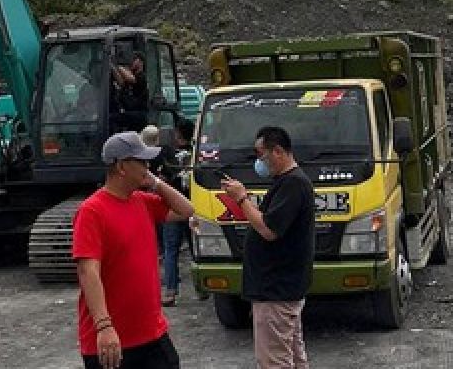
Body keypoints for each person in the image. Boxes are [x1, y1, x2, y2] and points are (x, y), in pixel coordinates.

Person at [73, 131, 194, 369]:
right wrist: (104, 326)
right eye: (141, 162)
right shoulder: (92, 211)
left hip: (152, 333)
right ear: (121, 167)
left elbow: (186, 210)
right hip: (114, 341)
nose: (147, 167)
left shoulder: (142, 201)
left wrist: (156, 184)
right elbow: (88, 271)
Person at [221, 126, 315, 369]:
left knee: (274, 360)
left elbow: (269, 229)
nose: (258, 163)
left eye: (261, 156)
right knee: (292, 356)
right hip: (281, 288)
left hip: (276, 289)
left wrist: (242, 199)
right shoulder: (287, 182)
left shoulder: (293, 184)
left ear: (278, 151)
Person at [159, 118, 195, 306]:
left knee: (170, 250)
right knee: (196, 247)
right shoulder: (197, 152)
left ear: (178, 133)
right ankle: (201, 288)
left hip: (172, 207)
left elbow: (162, 178)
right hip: (193, 205)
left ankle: (170, 292)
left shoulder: (167, 152)